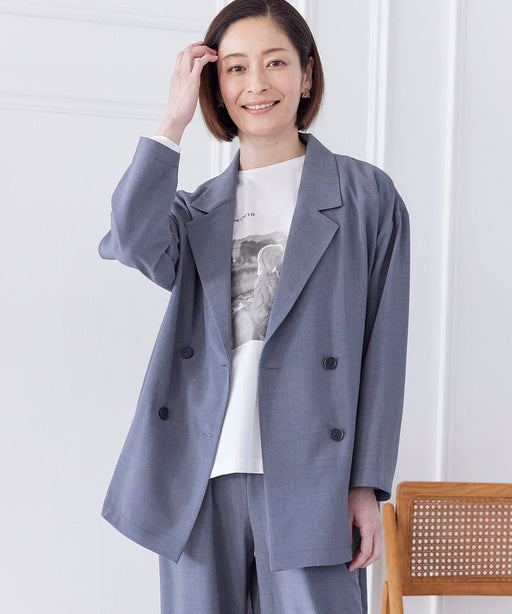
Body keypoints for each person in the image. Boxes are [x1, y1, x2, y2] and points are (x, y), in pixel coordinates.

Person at [97, 1, 410, 613]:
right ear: (216, 86)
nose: (257, 84)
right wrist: (173, 121)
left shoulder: (366, 196)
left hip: (314, 475)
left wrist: (367, 485)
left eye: (276, 62)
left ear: (307, 74)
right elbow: (130, 239)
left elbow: (386, 350)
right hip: (197, 475)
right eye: (236, 68)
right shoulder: (196, 210)